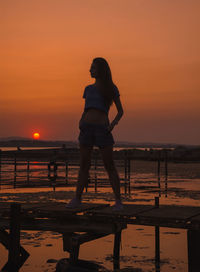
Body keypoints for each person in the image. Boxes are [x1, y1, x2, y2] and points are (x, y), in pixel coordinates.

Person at [66, 57, 124, 210]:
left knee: (109, 165)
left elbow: (120, 111)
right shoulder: (88, 89)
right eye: (90, 67)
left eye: (93, 67)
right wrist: (81, 121)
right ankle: (77, 198)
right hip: (86, 128)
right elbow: (87, 108)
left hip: (102, 129)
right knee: (84, 164)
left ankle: (118, 201)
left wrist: (112, 126)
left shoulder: (111, 88)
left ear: (101, 70)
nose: (90, 70)